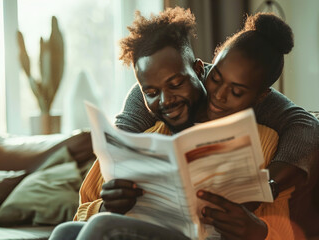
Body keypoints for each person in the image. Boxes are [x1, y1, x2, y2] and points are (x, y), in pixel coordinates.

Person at [50, 7, 319, 240]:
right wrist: (108, 202)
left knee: (104, 226)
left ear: (199, 70)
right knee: (66, 232)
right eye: (152, 92)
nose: (220, 95)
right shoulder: (151, 124)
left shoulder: (265, 138)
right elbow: (87, 203)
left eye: (177, 84)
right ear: (210, 72)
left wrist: (258, 220)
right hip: (142, 230)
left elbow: (305, 126)